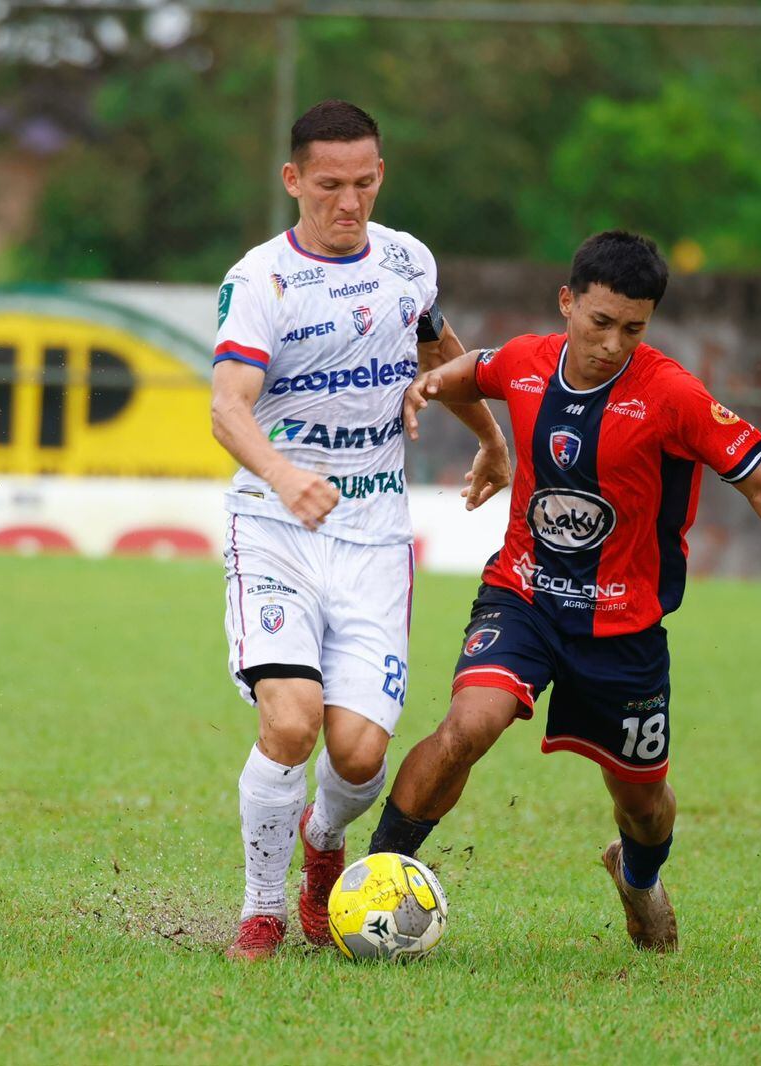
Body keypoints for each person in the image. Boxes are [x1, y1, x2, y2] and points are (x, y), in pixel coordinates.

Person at [369, 231, 761, 951]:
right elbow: (476, 368)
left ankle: (637, 878)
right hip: (525, 595)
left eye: (632, 328)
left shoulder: (670, 394)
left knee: (642, 803)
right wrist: (424, 387)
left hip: (624, 628)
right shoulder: (530, 362)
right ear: (567, 303)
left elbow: (759, 482)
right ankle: (377, 876)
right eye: (599, 322)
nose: (612, 343)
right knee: (468, 726)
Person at [208, 100, 510, 960]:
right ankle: (261, 912)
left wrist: (490, 439)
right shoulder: (261, 281)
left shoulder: (408, 261)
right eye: (331, 185)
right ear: (293, 180)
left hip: (376, 536)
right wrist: (282, 473)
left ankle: (323, 845)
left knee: (357, 753)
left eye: (365, 183)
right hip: (273, 528)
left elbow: (437, 349)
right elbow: (228, 408)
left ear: (382, 175)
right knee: (293, 721)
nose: (350, 202)